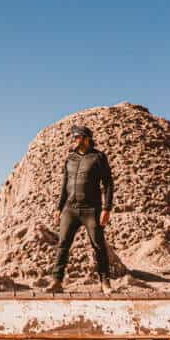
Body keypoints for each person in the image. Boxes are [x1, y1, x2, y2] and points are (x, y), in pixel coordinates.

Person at [49, 125, 115, 294]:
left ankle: (105, 282)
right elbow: (65, 185)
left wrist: (106, 208)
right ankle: (57, 281)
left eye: (78, 137)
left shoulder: (98, 157)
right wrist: (59, 207)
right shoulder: (70, 158)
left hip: (91, 209)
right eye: (74, 138)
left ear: (87, 138)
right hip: (70, 209)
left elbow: (107, 183)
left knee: (98, 245)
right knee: (62, 243)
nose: (75, 140)